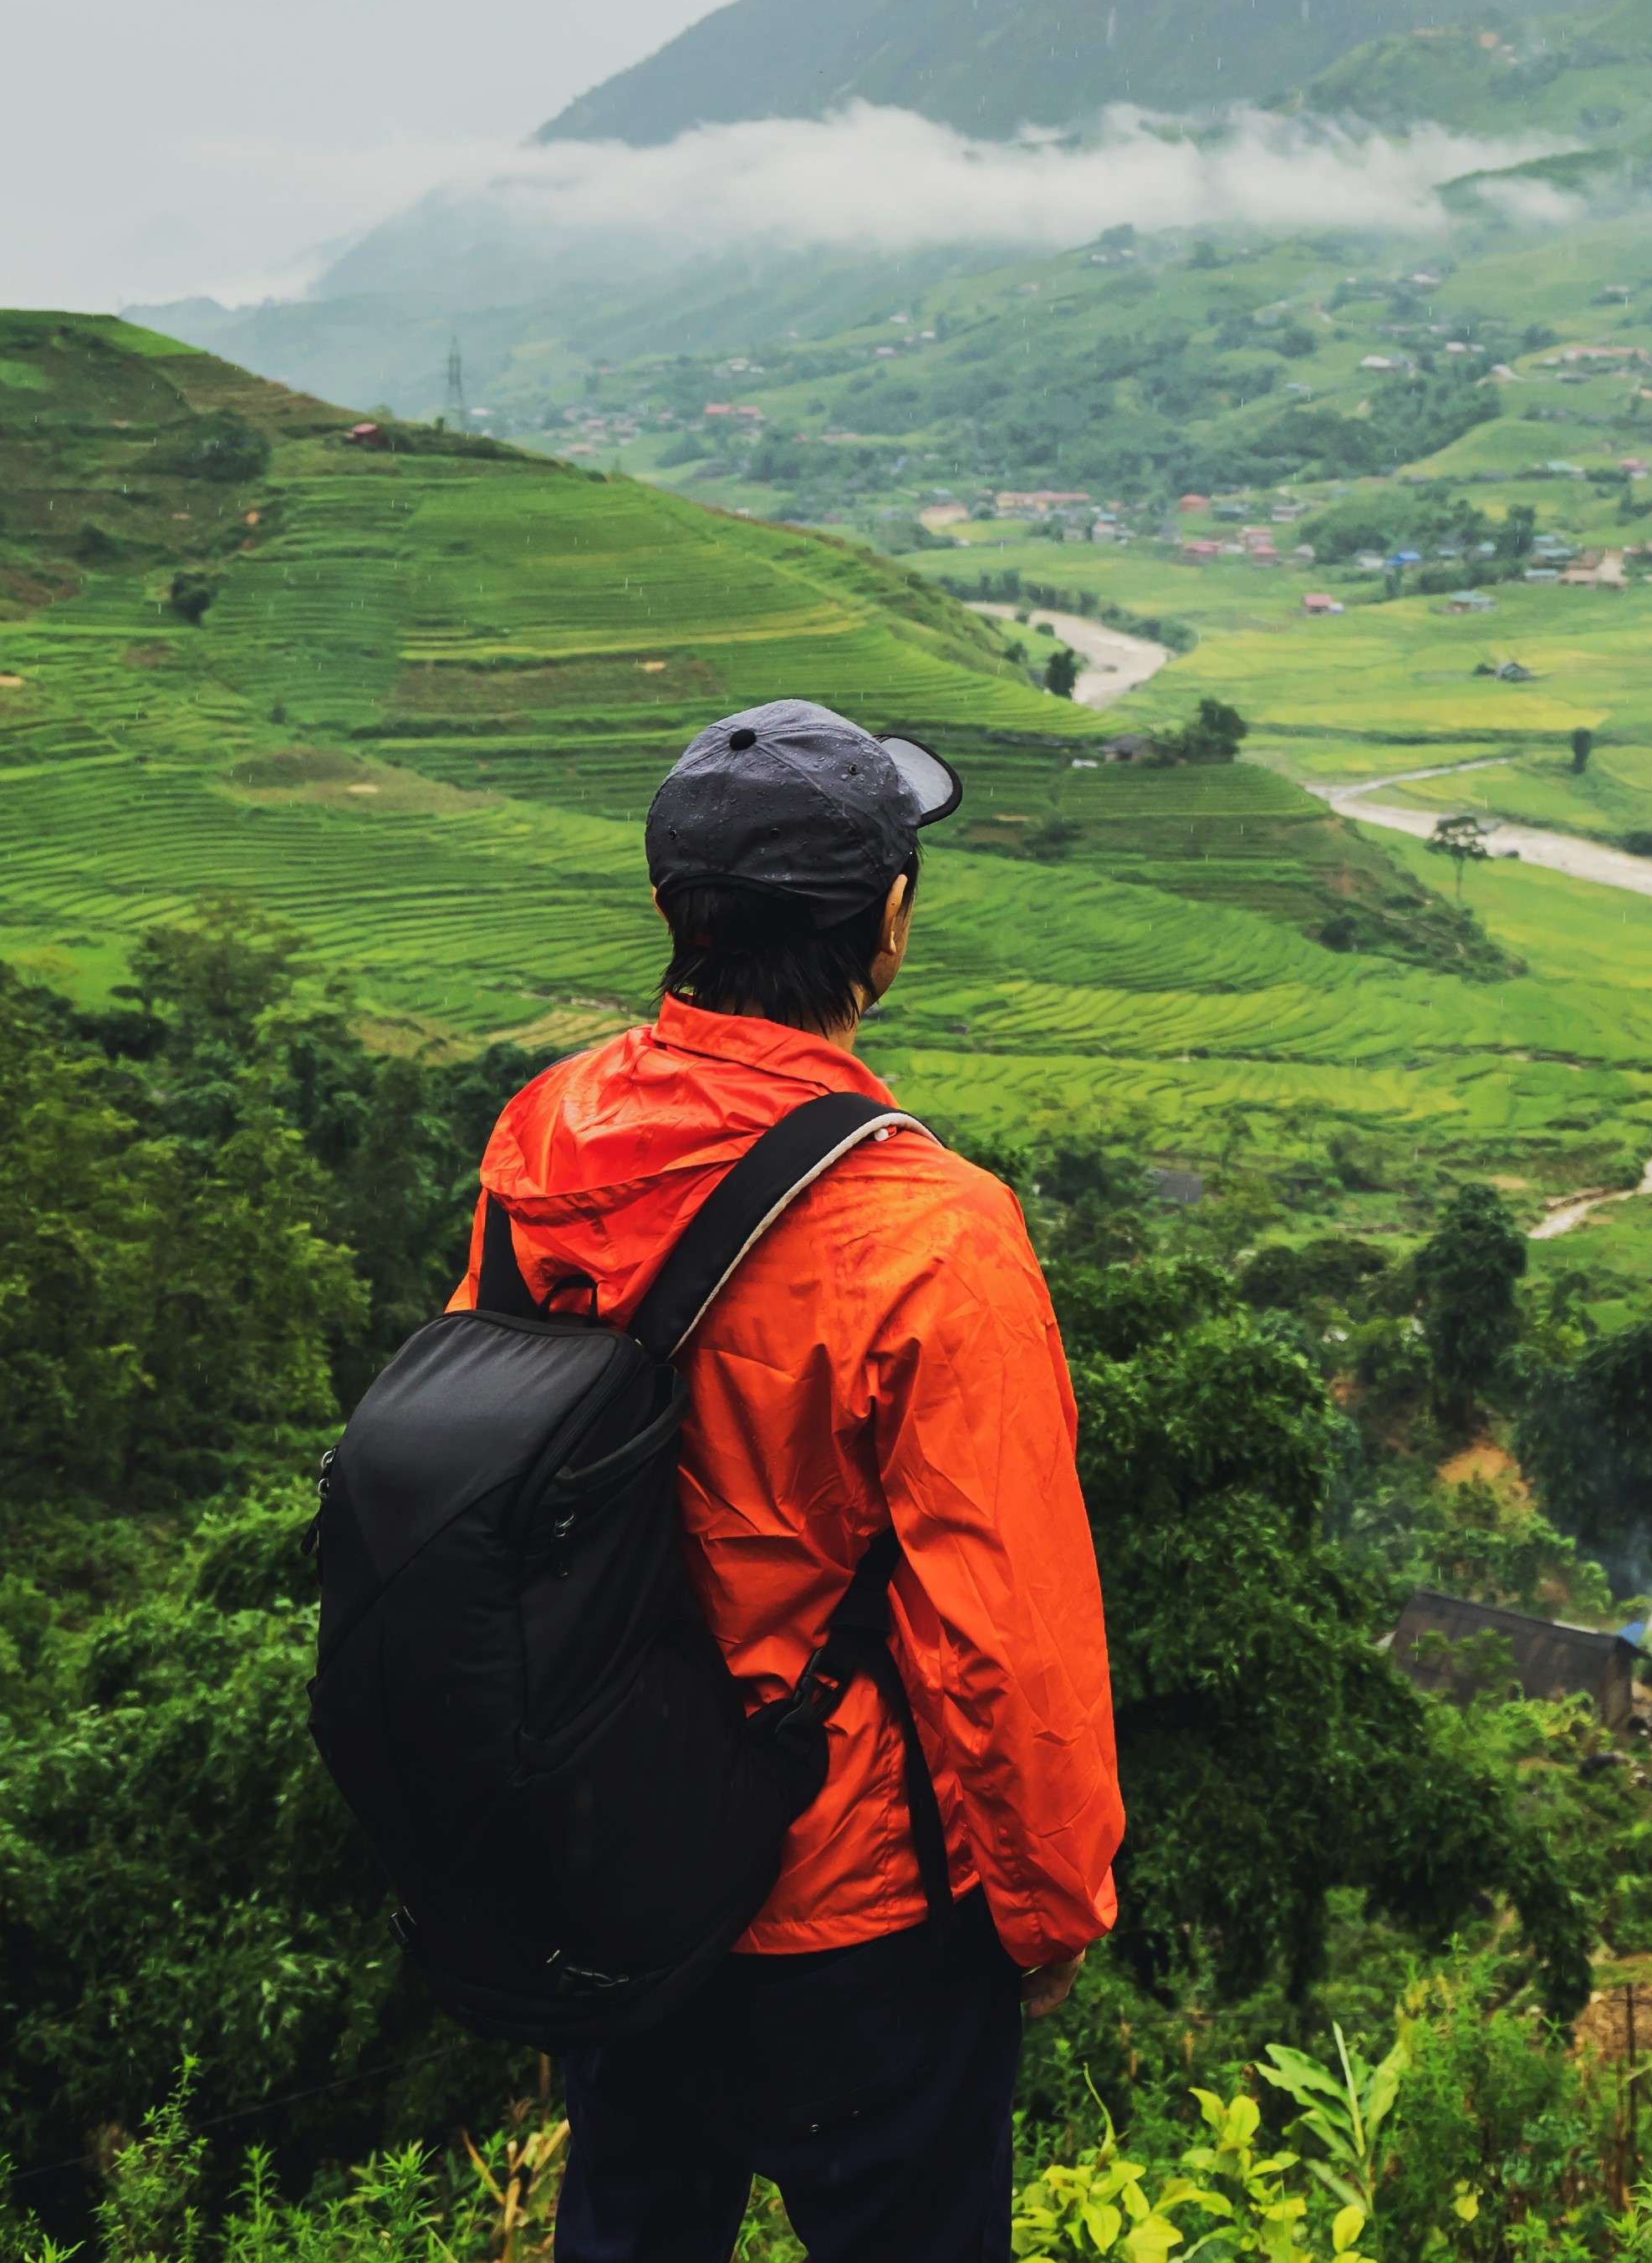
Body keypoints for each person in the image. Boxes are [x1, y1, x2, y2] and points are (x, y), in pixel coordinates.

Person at [457, 698, 1121, 2263]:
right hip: (859, 1908)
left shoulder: (542, 1141)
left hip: (618, 1859)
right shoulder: (935, 1231)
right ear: (885, 929)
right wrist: (1050, 1907)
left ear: (670, 910)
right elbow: (1004, 1629)